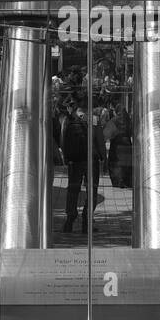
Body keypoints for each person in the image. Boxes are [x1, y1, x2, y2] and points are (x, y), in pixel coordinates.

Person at [62, 98, 106, 233]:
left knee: (73, 189)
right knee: (91, 190)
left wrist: (66, 157)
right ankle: (87, 221)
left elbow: (63, 139)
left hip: (75, 160)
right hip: (91, 160)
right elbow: (100, 140)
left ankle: (70, 219)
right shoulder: (94, 119)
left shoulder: (68, 119)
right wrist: (104, 158)